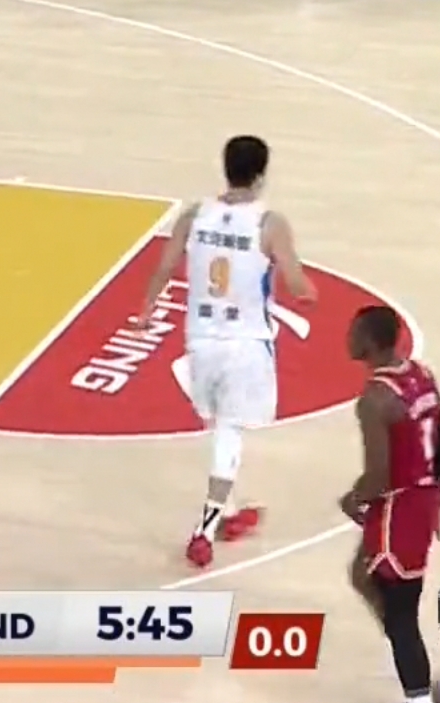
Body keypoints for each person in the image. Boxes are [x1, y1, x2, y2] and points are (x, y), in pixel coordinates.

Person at [134, 135, 313, 568]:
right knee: (230, 428)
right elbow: (296, 285)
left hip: (199, 338)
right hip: (244, 341)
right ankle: (206, 528)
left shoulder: (194, 215)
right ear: (262, 175)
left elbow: (164, 267)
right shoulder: (269, 223)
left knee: (218, 423)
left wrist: (146, 308)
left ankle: (230, 512)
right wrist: (308, 291)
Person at [341, 303, 440, 703]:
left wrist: (354, 499)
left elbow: (379, 474)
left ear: (370, 343)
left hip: (398, 509)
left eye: (354, 332)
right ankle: (422, 684)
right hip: (420, 500)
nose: (348, 338)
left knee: (401, 616)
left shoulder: (375, 400)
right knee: (362, 575)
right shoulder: (420, 376)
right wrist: (435, 495)